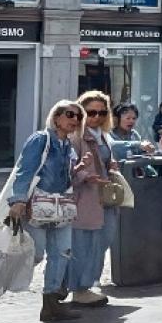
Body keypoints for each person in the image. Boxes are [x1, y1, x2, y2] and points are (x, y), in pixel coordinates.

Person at [0, 100, 85, 323]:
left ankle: (51, 305)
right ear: (56, 117)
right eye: (70, 115)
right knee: (32, 254)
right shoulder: (41, 140)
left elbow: (63, 177)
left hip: (60, 208)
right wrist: (18, 200)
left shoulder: (67, 146)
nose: (75, 120)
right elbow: (25, 170)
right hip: (37, 206)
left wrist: (77, 170)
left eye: (78, 117)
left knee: (62, 254)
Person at [68, 90, 119, 308]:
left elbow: (105, 158)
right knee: (84, 244)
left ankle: (86, 284)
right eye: (91, 112)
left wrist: (111, 165)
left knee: (103, 240)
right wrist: (85, 176)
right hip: (85, 197)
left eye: (101, 112)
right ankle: (80, 288)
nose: (96, 117)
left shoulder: (104, 135)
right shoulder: (76, 136)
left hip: (104, 195)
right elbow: (68, 167)